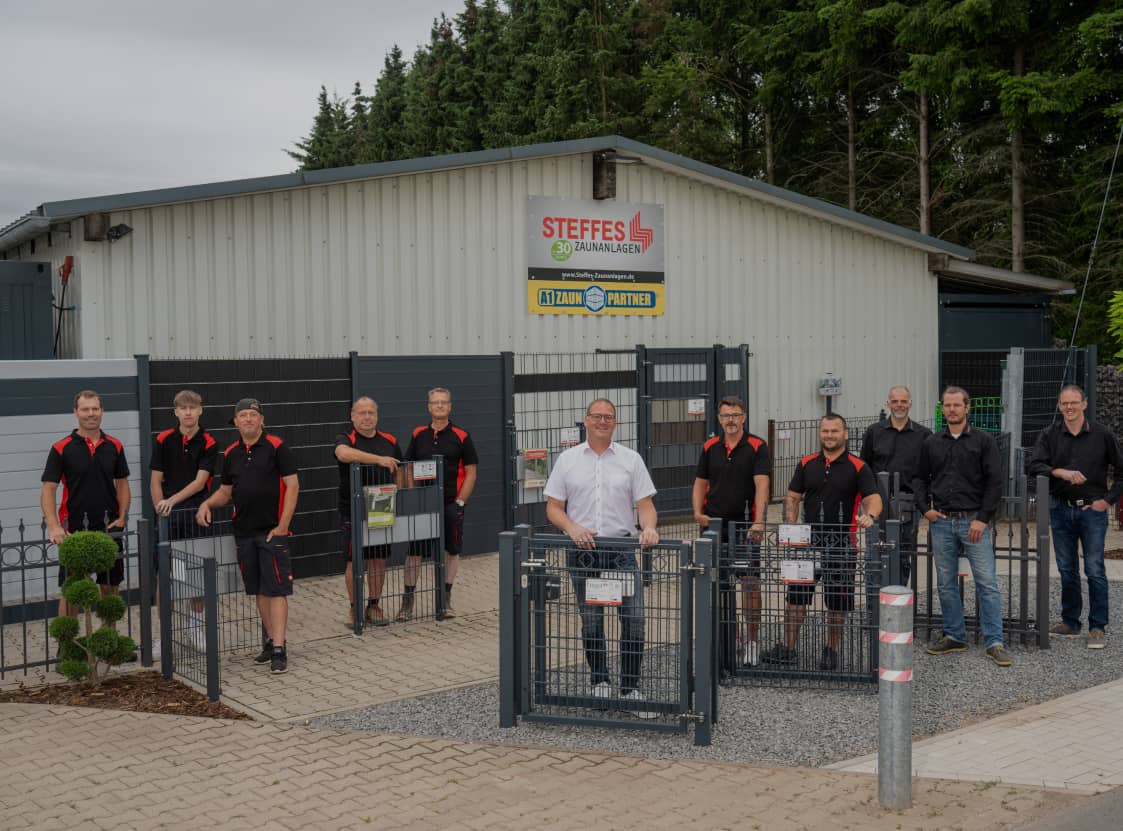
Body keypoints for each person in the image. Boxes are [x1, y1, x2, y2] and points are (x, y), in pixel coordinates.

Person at [545, 398, 659, 718]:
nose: (602, 421)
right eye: (597, 416)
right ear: (586, 420)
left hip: (621, 551)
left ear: (615, 423)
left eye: (608, 417)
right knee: (592, 619)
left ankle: (631, 688)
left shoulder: (630, 459)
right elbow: (553, 507)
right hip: (584, 554)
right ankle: (600, 682)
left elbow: (645, 503)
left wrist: (648, 527)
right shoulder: (567, 460)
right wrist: (571, 527)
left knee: (634, 619)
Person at [762, 414, 881, 670]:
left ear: (845, 434)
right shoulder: (806, 464)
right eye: (825, 431)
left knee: (838, 600)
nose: (829, 435)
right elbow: (792, 497)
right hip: (806, 544)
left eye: (834, 431)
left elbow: (874, 498)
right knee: (796, 597)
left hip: (841, 544)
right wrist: (791, 526)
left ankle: (831, 650)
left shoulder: (858, 467)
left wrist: (869, 516)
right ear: (820, 433)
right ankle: (788, 648)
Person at [196, 399, 299, 674]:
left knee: (276, 590)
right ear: (236, 422)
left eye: (253, 415)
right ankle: (269, 641)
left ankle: (279, 648)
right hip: (244, 534)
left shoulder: (277, 448)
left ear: (261, 419)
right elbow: (225, 492)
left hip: (272, 533)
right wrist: (206, 504)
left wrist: (283, 525)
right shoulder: (230, 453)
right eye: (243, 415)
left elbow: (293, 486)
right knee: (258, 590)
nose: (249, 419)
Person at [914, 386, 1011, 667]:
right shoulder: (931, 443)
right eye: (947, 405)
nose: (952, 410)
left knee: (987, 583)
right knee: (945, 583)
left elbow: (995, 481)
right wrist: (925, 509)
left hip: (973, 522)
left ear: (967, 408)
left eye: (957, 405)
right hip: (941, 521)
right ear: (942, 408)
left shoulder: (983, 441)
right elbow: (919, 478)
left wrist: (983, 518)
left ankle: (994, 641)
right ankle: (955, 635)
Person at [1027, 384, 1123, 649]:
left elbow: (1121, 472)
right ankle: (1070, 621)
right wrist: (1060, 472)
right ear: (1060, 406)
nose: (1068, 408)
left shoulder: (1102, 435)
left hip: (1092, 511)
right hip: (1059, 509)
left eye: (1073, 403)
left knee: (1094, 569)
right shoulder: (1050, 434)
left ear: (1084, 404)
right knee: (1067, 569)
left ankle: (1097, 626)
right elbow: (1032, 465)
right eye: (1064, 404)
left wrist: (1106, 501)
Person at [692, 395, 770, 667]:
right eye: (725, 416)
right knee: (717, 583)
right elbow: (700, 482)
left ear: (744, 417)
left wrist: (759, 521)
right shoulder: (710, 446)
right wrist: (697, 514)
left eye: (735, 415)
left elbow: (762, 486)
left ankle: (751, 641)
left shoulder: (758, 446)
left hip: (744, 527)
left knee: (749, 583)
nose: (731, 420)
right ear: (719, 419)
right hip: (714, 526)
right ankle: (730, 637)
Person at [41, 390, 132, 618]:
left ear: (102, 411)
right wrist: (54, 526)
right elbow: (48, 489)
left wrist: (122, 517)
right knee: (73, 589)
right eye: (85, 409)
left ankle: (110, 648)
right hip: (73, 530)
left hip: (109, 529)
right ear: (75, 412)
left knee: (110, 587)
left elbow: (122, 483)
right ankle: (68, 646)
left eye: (95, 409)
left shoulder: (115, 446)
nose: (90, 414)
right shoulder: (61, 448)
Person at [149, 389, 218, 654]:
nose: (188, 412)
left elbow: (200, 482)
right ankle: (163, 635)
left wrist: (172, 501)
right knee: (165, 576)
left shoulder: (209, 442)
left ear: (200, 410)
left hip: (196, 514)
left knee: (197, 574)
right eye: (183, 408)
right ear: (175, 412)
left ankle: (195, 626)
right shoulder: (164, 439)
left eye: (193, 407)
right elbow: (156, 480)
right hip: (167, 517)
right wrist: (160, 508)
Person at [401, 387, 478, 621]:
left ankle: (445, 601)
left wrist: (460, 502)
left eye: (444, 402)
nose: (440, 406)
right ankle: (407, 603)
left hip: (449, 504)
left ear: (450, 406)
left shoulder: (462, 436)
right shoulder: (418, 434)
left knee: (451, 551)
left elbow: (471, 472)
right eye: (436, 403)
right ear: (429, 407)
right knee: (415, 553)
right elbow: (408, 468)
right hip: (422, 504)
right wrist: (413, 499)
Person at [334, 396, 402, 627]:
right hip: (353, 508)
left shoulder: (390, 440)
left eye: (370, 412)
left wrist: (398, 492)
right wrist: (378, 460)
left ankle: (374, 605)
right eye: (361, 413)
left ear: (377, 416)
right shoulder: (346, 438)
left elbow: (399, 470)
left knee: (378, 560)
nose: (366, 417)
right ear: (352, 416)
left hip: (382, 506)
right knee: (355, 561)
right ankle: (355, 609)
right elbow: (343, 454)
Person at [860, 385, 932, 586]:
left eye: (903, 401)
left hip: (909, 502)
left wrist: (923, 501)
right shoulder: (874, 432)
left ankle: (898, 604)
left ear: (910, 403)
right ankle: (875, 610)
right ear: (888, 403)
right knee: (875, 554)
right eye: (895, 401)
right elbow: (864, 466)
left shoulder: (924, 435)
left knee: (902, 555)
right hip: (877, 502)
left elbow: (928, 471)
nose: (899, 405)